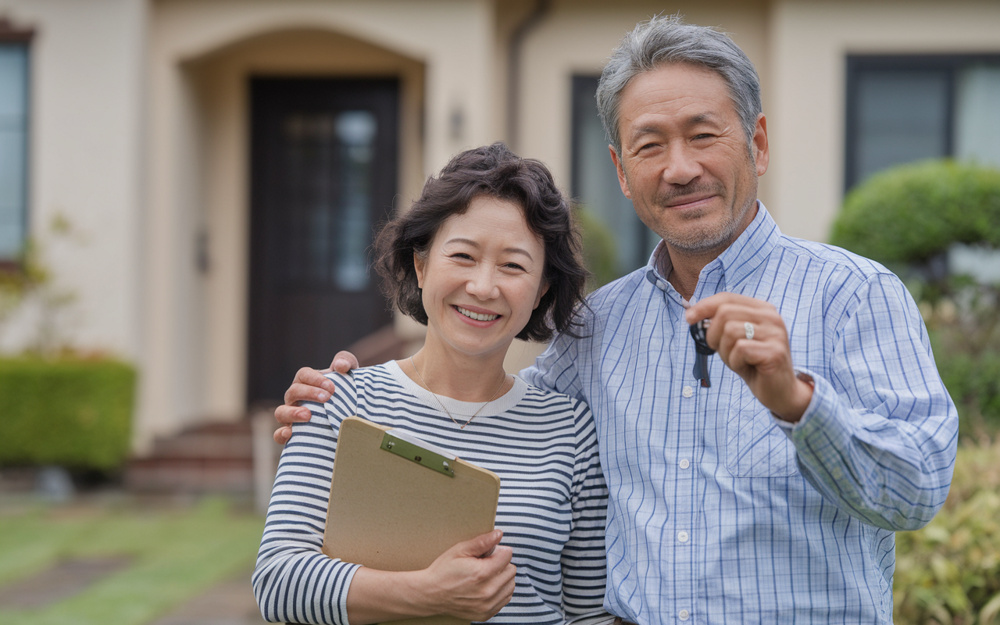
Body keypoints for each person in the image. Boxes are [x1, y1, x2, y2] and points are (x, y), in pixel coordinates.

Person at [273, 15, 959, 624]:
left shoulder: (855, 294)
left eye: (703, 134)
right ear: (622, 170)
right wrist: (350, 402)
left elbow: (917, 492)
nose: (681, 167)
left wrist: (797, 402)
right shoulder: (597, 327)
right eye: (651, 144)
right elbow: (493, 414)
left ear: (757, 142)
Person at [253, 142, 613, 625]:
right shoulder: (339, 401)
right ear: (421, 266)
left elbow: (588, 613)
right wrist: (425, 594)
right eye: (463, 255)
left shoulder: (570, 431)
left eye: (513, 265)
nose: (484, 287)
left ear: (542, 289)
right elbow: (278, 581)